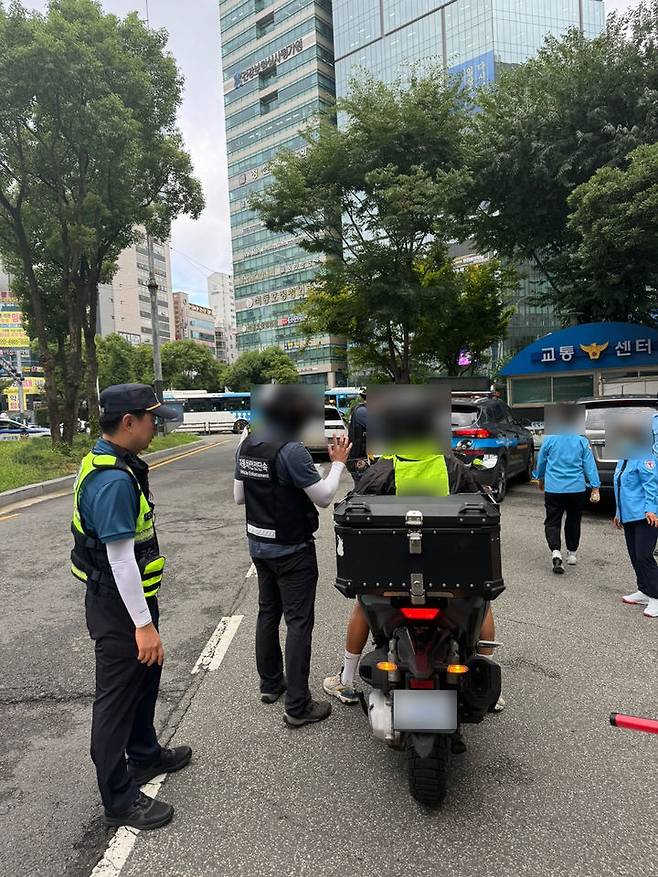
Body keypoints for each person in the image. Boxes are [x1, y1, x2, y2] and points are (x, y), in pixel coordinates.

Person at [71, 384, 191, 831]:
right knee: (116, 699)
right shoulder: (112, 481)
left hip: (131, 601)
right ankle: (118, 799)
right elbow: (120, 559)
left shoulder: (116, 463)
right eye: (152, 419)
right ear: (128, 422)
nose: (156, 427)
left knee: (145, 679)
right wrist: (144, 626)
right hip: (119, 608)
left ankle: (144, 754)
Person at [323, 442, 505, 717]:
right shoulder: (452, 465)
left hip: (392, 578)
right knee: (482, 600)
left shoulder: (382, 468)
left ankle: (346, 679)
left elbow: (356, 504)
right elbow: (479, 503)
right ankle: (486, 682)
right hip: (448, 578)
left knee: (363, 603)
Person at [234, 385, 352, 728]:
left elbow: (239, 497)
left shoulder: (247, 444)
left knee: (267, 612)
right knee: (298, 623)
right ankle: (298, 705)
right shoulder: (292, 452)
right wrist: (338, 465)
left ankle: (271, 684)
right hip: (292, 548)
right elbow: (325, 498)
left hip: (258, 543)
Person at [533, 404, 601, 574]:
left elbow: (541, 461)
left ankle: (556, 552)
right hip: (576, 488)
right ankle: (572, 554)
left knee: (553, 520)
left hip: (554, 488)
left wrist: (540, 477)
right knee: (573, 520)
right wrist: (595, 487)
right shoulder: (581, 440)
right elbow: (589, 465)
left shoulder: (549, 439)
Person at [614, 425, 658, 619]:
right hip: (628, 515)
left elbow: (652, 485)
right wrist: (618, 513)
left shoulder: (646, 457)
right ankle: (644, 590)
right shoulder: (623, 459)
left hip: (644, 515)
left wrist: (652, 509)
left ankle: (656, 596)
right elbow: (619, 486)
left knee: (644, 555)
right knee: (634, 555)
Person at [346, 390, 368, 487]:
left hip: (359, 458)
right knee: (363, 490)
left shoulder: (362, 410)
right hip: (359, 460)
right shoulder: (363, 411)